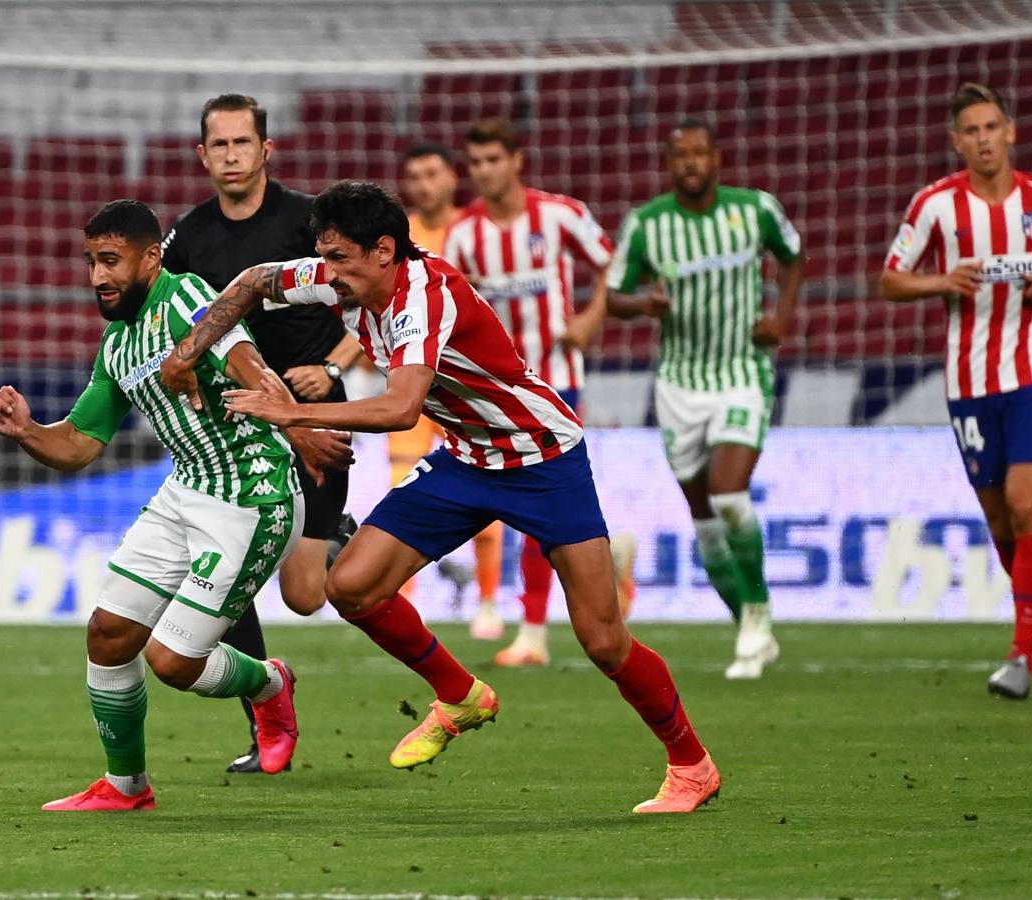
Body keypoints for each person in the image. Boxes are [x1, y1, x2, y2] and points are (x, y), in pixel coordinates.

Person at [160, 180, 721, 814]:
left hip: (543, 457)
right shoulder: (337, 277)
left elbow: (401, 408)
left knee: (602, 640)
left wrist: (292, 414)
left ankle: (691, 765)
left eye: (341, 258)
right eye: (325, 257)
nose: (329, 274)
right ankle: (460, 696)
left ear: (384, 250)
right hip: (466, 459)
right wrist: (188, 353)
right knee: (350, 585)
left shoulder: (425, 297)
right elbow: (254, 280)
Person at [0, 200, 310, 811]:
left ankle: (269, 683)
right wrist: (26, 431)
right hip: (187, 489)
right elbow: (78, 445)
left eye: (111, 260)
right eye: (90, 262)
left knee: (174, 662)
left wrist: (298, 423)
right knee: (107, 634)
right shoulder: (118, 344)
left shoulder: (186, 299)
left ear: (151, 257)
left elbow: (253, 369)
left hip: (253, 495)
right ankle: (126, 787)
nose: (98, 276)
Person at [880, 83, 1032, 699]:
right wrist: (939, 282)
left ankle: (1020, 655)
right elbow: (890, 281)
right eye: (970, 131)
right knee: (1004, 524)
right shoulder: (934, 206)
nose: (982, 139)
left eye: (991, 127)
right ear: (957, 143)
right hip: (969, 380)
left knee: (1027, 500)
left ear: (1011, 132)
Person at [161, 94, 360, 772]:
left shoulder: (308, 221)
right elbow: (170, 320)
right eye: (218, 145)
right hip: (239, 432)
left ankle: (338, 537)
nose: (231, 155)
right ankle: (265, 728)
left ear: (266, 149)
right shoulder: (187, 239)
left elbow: (372, 293)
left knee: (305, 597)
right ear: (202, 155)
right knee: (228, 579)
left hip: (314, 415)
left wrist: (330, 366)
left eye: (243, 142)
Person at [607, 118, 803, 680]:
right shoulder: (648, 225)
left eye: (699, 153)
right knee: (706, 524)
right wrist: (646, 304)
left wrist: (780, 319)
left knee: (730, 496)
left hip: (741, 372)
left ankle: (758, 612)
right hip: (678, 384)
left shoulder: (756, 210)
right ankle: (749, 626)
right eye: (680, 155)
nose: (691, 162)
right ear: (670, 164)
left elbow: (793, 257)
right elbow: (614, 295)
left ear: (717, 158)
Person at [441, 119, 631, 667]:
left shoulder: (561, 215)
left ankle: (532, 632)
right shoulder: (464, 234)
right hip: (497, 393)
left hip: (558, 381)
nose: (484, 172)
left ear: (517, 160)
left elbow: (614, 262)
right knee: (522, 506)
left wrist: (592, 317)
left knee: (538, 504)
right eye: (475, 163)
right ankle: (604, 565)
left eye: (493, 159)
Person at [392, 142, 504, 621]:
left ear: (451, 178)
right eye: (414, 176)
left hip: (468, 385)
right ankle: (404, 603)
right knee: (402, 492)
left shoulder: (474, 230)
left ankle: (487, 603)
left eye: (432, 173)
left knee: (490, 488)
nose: (423, 184)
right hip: (412, 385)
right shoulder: (397, 235)